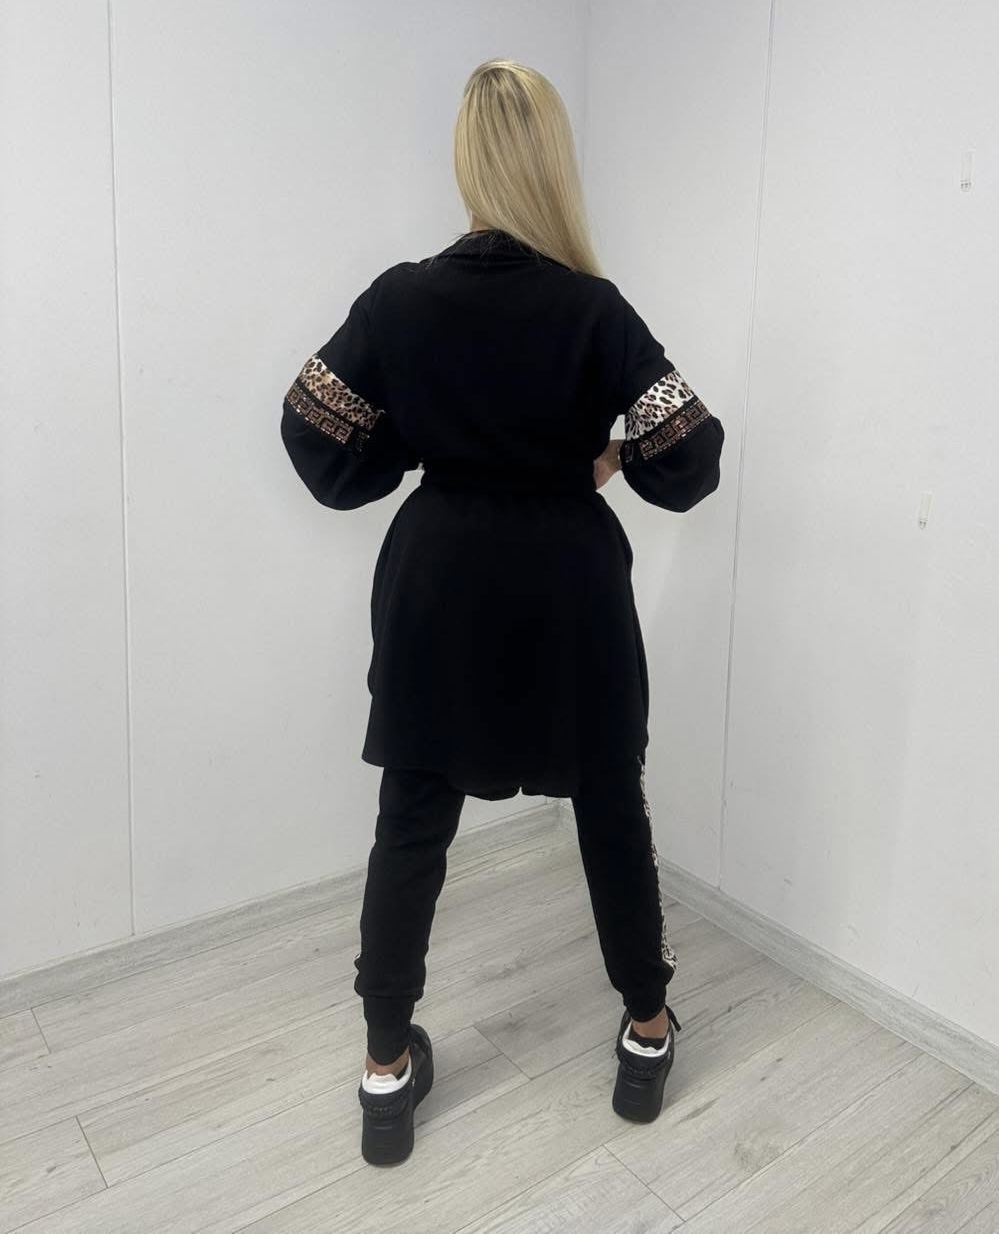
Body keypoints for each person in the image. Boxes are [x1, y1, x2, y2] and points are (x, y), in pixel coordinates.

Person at [279, 58, 724, 1166]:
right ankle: (648, 1032)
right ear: (552, 162)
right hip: (569, 581)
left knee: (412, 815)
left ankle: (385, 1070)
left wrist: (415, 445)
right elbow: (692, 452)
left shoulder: (400, 298)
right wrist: (605, 457)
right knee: (608, 801)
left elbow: (310, 431)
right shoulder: (592, 307)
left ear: (467, 159)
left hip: (440, 581)